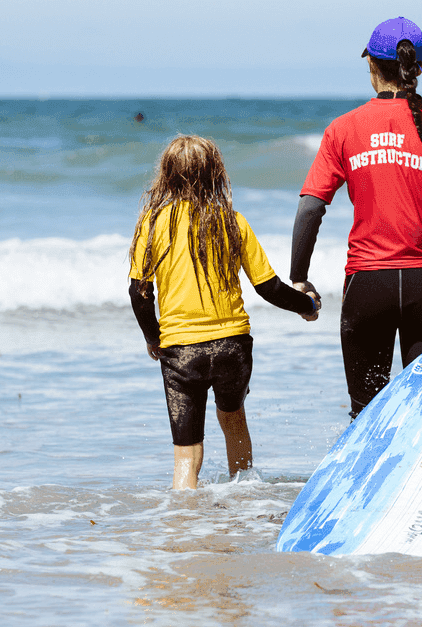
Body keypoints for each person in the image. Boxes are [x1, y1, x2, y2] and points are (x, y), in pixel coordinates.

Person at [290, 16, 422, 419]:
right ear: (419, 68)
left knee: (365, 413)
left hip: (368, 285)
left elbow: (311, 207)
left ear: (371, 64)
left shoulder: (342, 129)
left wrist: (298, 277)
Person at [129, 135, 320, 489]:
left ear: (167, 175)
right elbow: (269, 288)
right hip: (232, 347)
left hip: (181, 352)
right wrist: (307, 305)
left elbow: (139, 293)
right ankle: (245, 502)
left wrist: (153, 338)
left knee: (186, 455)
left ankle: (185, 517)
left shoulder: (152, 225)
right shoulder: (232, 222)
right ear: (215, 173)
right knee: (233, 422)